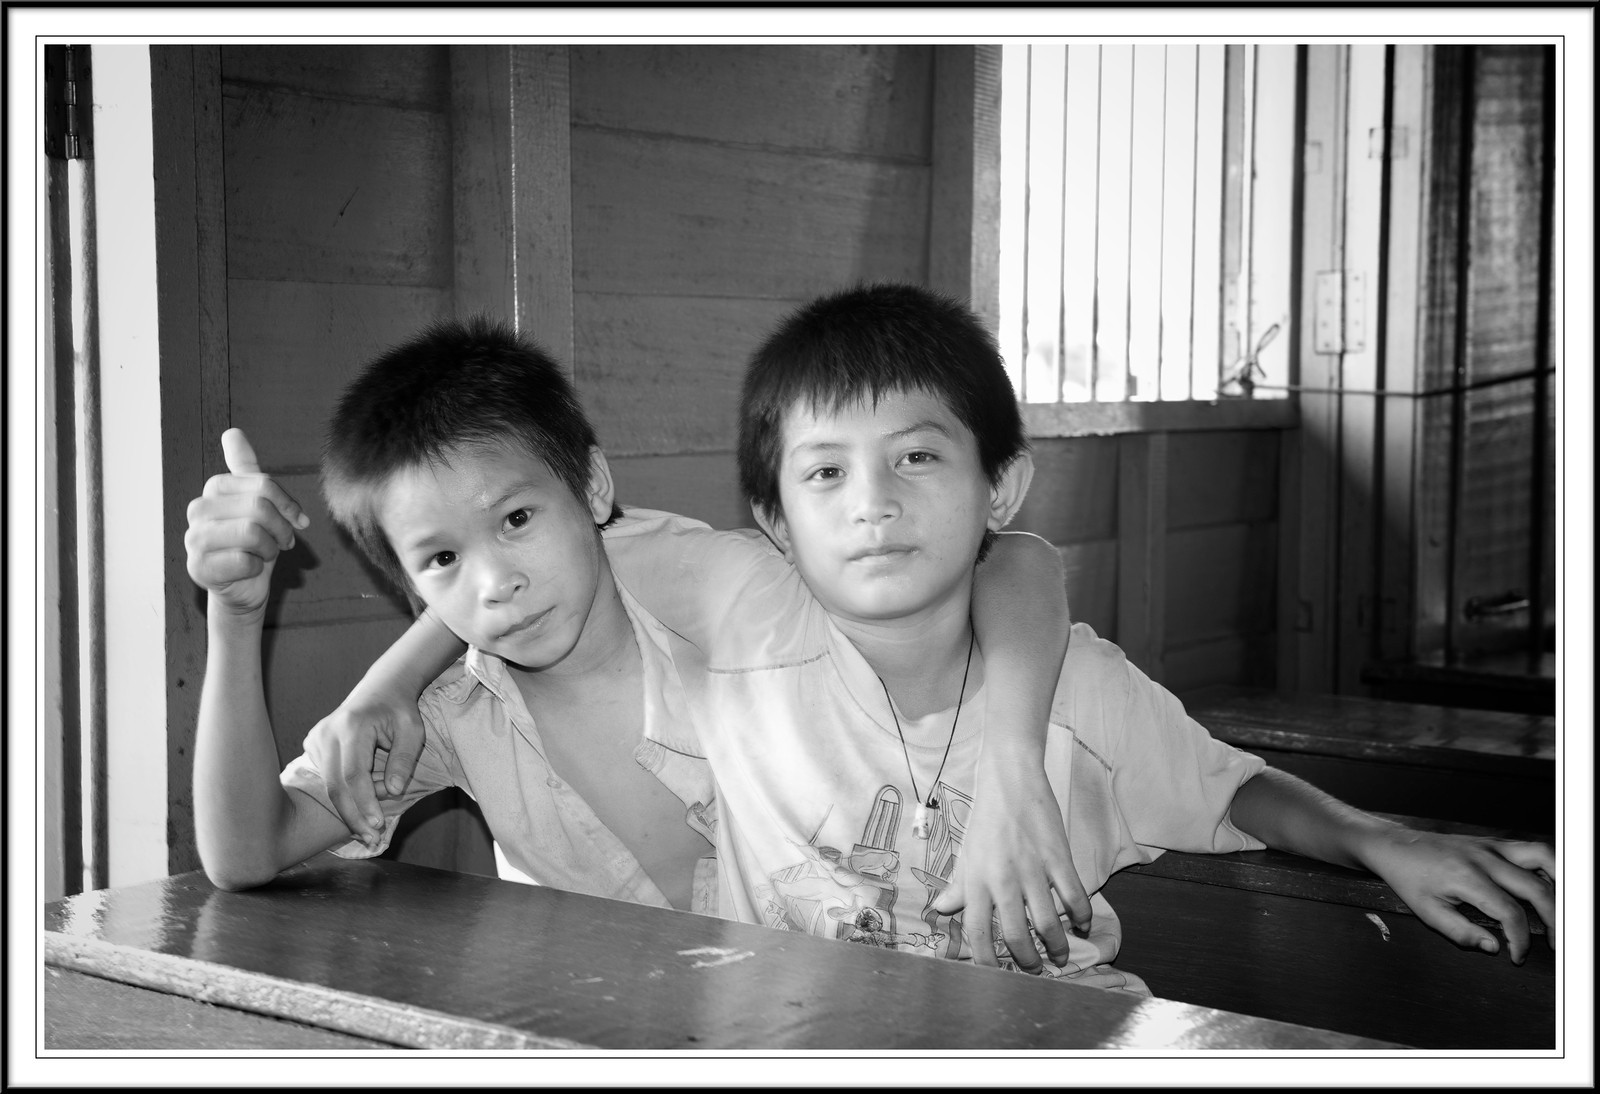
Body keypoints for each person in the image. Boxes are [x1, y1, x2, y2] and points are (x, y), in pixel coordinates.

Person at [320, 284, 1558, 991]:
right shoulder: (743, 617)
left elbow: (1235, 788)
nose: (872, 502)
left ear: (998, 488)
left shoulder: (1076, 684)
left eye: (919, 457)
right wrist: (395, 672)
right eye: (825, 473)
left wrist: (1380, 839)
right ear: (772, 520)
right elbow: (514, 554)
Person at [184, 316, 1085, 956]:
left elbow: (1015, 562)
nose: (498, 582)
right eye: (442, 559)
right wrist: (236, 616)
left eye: (520, 520)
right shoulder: (449, 717)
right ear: (407, 581)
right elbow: (243, 852)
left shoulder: (723, 600)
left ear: (594, 490)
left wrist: (1015, 766)